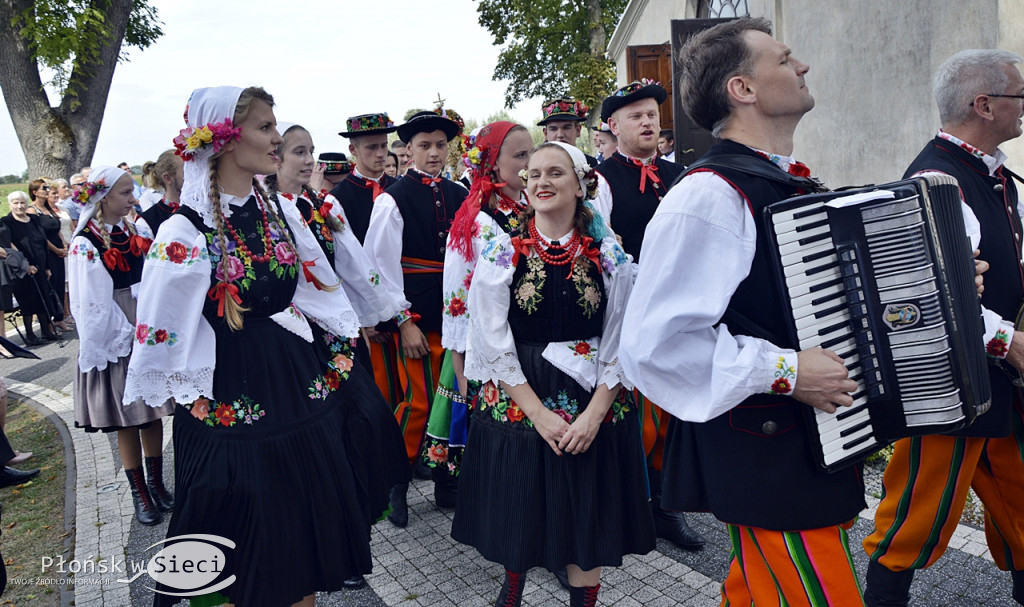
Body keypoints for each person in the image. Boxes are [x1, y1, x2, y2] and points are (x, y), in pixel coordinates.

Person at [124, 86, 407, 607]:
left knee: (301, 541)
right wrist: (194, 401)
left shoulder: (275, 207)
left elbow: (312, 285)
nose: (276, 137)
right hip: (232, 392)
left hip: (292, 380)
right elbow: (162, 340)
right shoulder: (184, 233)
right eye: (265, 127)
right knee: (246, 552)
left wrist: (346, 331)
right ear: (227, 141)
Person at [620, 18, 868, 605]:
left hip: (804, 444)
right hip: (765, 448)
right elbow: (653, 345)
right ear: (744, 88)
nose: (802, 66)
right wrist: (786, 371)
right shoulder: (708, 195)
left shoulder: (784, 186)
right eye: (785, 58)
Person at [452, 141, 654, 607]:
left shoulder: (609, 255)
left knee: (587, 510)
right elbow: (490, 334)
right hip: (524, 396)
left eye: (555, 173)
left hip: (591, 398)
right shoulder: (503, 252)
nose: (541, 181)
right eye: (533, 173)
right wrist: (538, 414)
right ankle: (512, 594)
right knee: (522, 505)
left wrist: (595, 415)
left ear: (581, 184)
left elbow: (623, 334)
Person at [862, 49, 1024, 607]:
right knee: (915, 514)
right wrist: (1008, 342)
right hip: (948, 382)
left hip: (1000, 378)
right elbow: (933, 296)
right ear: (985, 105)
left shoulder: (993, 175)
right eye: (1019, 97)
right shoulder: (939, 183)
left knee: (1022, 506)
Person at [592, 79, 703, 551]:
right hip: (629, 311)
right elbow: (602, 248)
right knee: (633, 414)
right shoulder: (600, 181)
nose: (648, 121)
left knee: (673, 410)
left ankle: (665, 508)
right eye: (636, 115)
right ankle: (625, 505)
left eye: (653, 114)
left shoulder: (681, 175)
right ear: (613, 126)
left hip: (679, 312)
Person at [364, 108, 469, 527]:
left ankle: (446, 477)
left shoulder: (461, 194)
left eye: (440, 145)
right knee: (421, 401)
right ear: (407, 150)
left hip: (457, 316)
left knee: (455, 401)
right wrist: (403, 320)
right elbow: (379, 267)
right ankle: (397, 479)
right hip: (419, 316)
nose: (433, 153)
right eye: (424, 145)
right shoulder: (393, 200)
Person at [423, 121, 533, 508]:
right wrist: (460, 362)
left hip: (530, 343)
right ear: (492, 163)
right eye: (520, 156)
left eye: (531, 153)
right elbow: (457, 297)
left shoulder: (532, 207)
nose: (529, 163)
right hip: (492, 346)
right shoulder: (477, 220)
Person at [66, 165, 176, 525]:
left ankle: (158, 484)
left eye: (132, 192)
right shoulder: (86, 243)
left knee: (152, 412)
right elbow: (92, 303)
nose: (133, 199)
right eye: (125, 193)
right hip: (118, 326)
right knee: (128, 417)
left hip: (141, 318)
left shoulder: (132, 229)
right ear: (103, 198)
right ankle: (139, 492)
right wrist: (128, 332)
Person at [1, 191, 61, 345]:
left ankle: (46, 331)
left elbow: (42, 242)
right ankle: (30, 335)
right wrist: (25, 265)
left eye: (22, 202)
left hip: (40, 263)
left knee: (43, 297)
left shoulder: (34, 219)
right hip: (21, 267)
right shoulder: (7, 222)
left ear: (27, 203)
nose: (19, 206)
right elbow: (10, 246)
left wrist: (46, 266)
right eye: (16, 203)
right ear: (10, 205)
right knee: (27, 300)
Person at [27, 179, 69, 332]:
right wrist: (55, 250)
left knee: (59, 284)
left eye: (47, 188)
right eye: (43, 188)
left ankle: (60, 319)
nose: (46, 190)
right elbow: (40, 235)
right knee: (50, 285)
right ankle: (49, 322)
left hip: (59, 248)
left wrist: (63, 244)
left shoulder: (49, 209)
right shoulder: (32, 210)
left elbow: (57, 228)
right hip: (47, 252)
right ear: (35, 192)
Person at [539, 96, 598, 166]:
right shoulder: (536, 164)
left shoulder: (591, 164)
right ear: (546, 133)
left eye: (566, 128)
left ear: (578, 130)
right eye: (553, 129)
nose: (560, 135)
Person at [136, 149, 183, 237]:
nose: (194, 176)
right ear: (167, 178)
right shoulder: (146, 222)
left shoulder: (201, 210)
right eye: (187, 171)